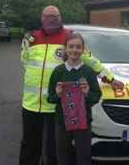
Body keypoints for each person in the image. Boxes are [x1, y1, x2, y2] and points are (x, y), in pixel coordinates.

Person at [19, 6, 122, 165]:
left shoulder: (69, 38)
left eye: (54, 16)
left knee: (54, 148)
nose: (51, 19)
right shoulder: (31, 38)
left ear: (60, 18)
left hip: (56, 104)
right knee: (29, 145)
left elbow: (90, 60)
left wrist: (110, 78)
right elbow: (25, 62)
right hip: (31, 103)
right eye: (47, 16)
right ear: (42, 18)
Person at [47, 33, 101, 165]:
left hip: (83, 121)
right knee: (63, 155)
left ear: (83, 50)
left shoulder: (88, 72)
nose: (74, 50)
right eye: (71, 46)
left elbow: (97, 96)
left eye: (78, 47)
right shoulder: (58, 71)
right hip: (62, 121)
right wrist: (58, 94)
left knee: (83, 156)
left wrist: (87, 94)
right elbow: (50, 98)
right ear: (65, 48)